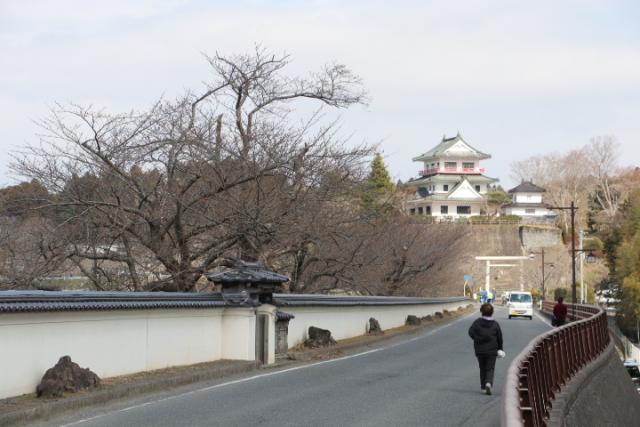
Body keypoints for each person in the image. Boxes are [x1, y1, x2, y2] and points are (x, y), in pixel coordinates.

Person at [468, 303, 505, 395]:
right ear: (492, 312)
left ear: (481, 312)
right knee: (490, 368)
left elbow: (470, 332)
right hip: (492, 350)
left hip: (479, 350)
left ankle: (483, 387)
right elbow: (499, 337)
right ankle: (488, 383)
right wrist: (500, 348)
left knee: (482, 368)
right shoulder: (495, 324)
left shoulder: (477, 322)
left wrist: (477, 339)